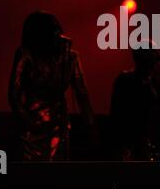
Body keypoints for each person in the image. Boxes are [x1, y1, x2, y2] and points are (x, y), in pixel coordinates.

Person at [8, 11, 95, 161]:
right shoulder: (25, 55)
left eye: (57, 28)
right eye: (51, 29)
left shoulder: (70, 57)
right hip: (32, 127)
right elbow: (13, 95)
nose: (57, 33)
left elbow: (82, 93)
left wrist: (90, 125)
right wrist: (28, 123)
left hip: (59, 126)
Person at [110, 40, 160, 161]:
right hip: (129, 147)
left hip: (149, 147)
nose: (156, 56)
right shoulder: (126, 80)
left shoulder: (155, 83)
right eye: (152, 53)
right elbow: (118, 114)